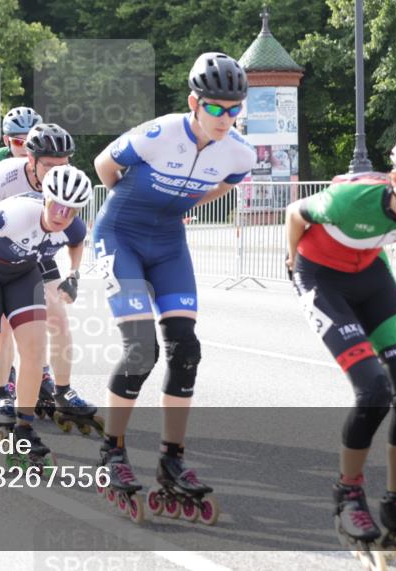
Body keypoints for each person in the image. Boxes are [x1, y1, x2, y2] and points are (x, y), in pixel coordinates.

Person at [283, 129, 396, 560]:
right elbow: (294, 212)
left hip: (370, 275)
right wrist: (292, 264)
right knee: (374, 391)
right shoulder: (354, 201)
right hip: (322, 278)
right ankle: (347, 494)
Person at [92, 52, 256, 521]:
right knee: (142, 347)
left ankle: (172, 458)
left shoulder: (239, 152)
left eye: (234, 108)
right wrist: (132, 199)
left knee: (185, 348)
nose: (226, 117)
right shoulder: (161, 132)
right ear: (194, 103)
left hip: (168, 243)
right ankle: (112, 450)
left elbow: (226, 183)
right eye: (216, 107)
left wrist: (180, 205)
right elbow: (104, 164)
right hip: (120, 234)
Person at [0, 166, 93, 466]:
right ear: (45, 198)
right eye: (56, 204)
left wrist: (74, 274)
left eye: (71, 210)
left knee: (34, 349)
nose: (61, 215)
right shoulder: (13, 215)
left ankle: (24, 429)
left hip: (21, 274)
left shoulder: (72, 227)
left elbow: (78, 243)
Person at [0, 123, 97, 434]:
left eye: (63, 164)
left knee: (59, 318)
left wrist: (73, 274)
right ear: (31, 159)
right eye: (49, 165)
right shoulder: (5, 175)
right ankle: (2, 392)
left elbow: (76, 233)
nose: (57, 171)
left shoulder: (66, 182)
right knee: (1, 327)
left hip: (38, 252)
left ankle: (62, 390)